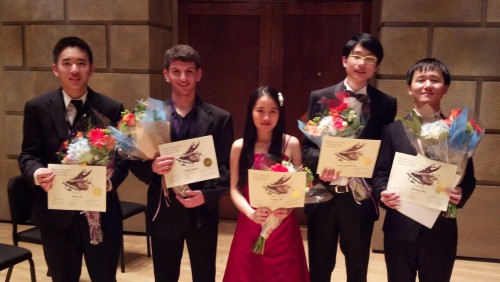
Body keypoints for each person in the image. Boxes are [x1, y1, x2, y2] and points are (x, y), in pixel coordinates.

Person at [18, 36, 129, 282]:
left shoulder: (111, 107)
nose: (75, 69)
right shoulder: (36, 107)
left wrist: (109, 183)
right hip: (56, 215)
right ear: (55, 69)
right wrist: (37, 174)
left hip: (101, 212)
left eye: (81, 62)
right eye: (67, 63)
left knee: (104, 277)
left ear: (92, 68)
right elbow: (28, 155)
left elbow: (122, 158)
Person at [129, 44, 234, 282]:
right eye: (176, 71)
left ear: (199, 74)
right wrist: (153, 169)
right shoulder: (151, 116)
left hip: (202, 213)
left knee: (204, 275)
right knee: (164, 276)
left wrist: (206, 196)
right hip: (163, 212)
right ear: (166, 74)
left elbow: (226, 168)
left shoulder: (220, 118)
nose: (183, 77)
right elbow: (135, 163)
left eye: (189, 71)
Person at [302, 33, 397, 282]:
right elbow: (307, 149)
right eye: (356, 56)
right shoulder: (320, 97)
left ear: (376, 66)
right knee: (320, 266)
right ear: (345, 60)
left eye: (369, 58)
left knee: (357, 268)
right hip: (323, 194)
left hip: (359, 197)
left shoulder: (386, 103)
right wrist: (324, 163)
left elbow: (384, 152)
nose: (361, 62)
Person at [372, 58, 476, 282]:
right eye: (420, 80)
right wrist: (382, 193)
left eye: (435, 80)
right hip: (400, 228)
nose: (427, 84)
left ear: (445, 88)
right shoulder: (393, 130)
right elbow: (380, 174)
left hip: (441, 230)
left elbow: (468, 178)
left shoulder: (458, 131)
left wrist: (461, 194)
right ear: (410, 88)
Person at [223, 86, 310, 282]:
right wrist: (250, 213)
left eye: (273, 111)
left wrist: (288, 208)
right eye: (260, 110)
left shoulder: (291, 144)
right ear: (251, 112)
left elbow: (300, 187)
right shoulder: (239, 146)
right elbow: (234, 189)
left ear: (280, 114)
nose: (266, 117)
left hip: (283, 225)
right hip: (251, 222)